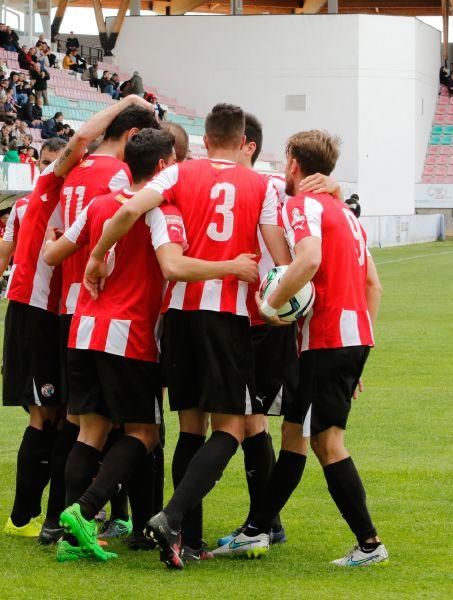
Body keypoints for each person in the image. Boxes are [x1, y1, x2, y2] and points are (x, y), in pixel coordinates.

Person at [83, 104, 290, 569]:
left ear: (205, 138)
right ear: (243, 142)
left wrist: (98, 255)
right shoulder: (260, 185)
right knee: (233, 427)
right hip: (225, 318)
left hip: (177, 316)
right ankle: (172, 517)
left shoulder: (178, 174)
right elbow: (278, 254)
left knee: (190, 428)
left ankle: (187, 542)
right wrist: (285, 301)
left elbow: (130, 208)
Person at [41, 126, 253, 563]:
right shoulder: (162, 210)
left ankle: (70, 537)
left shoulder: (101, 206)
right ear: (162, 166)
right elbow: (172, 266)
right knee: (144, 432)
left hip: (83, 327)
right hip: (128, 333)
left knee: (91, 430)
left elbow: (52, 254)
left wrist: (88, 256)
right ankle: (85, 510)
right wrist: (229, 264)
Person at [0, 95, 152, 550]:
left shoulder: (66, 183)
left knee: (67, 416)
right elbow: (84, 138)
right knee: (56, 417)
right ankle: (42, 518)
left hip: (60, 308)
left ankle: (58, 517)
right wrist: (124, 101)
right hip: (43, 308)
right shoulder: (73, 180)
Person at [212, 129, 387, 568]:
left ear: (292, 163)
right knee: (294, 439)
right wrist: (357, 352)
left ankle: (369, 544)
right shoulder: (347, 215)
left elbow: (307, 260)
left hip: (326, 339)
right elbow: (373, 285)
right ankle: (256, 531)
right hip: (348, 339)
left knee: (327, 444)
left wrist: (271, 305)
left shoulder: (301, 205)